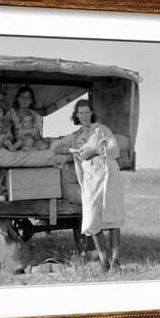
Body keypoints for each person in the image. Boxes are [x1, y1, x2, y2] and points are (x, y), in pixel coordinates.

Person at [54, 99, 125, 271]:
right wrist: (71, 150)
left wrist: (94, 150)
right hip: (91, 180)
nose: (84, 116)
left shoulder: (101, 129)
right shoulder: (76, 136)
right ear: (76, 115)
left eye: (87, 112)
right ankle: (103, 261)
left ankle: (115, 261)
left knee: (112, 215)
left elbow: (115, 150)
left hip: (108, 176)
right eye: (81, 113)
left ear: (91, 113)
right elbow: (56, 147)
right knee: (92, 219)